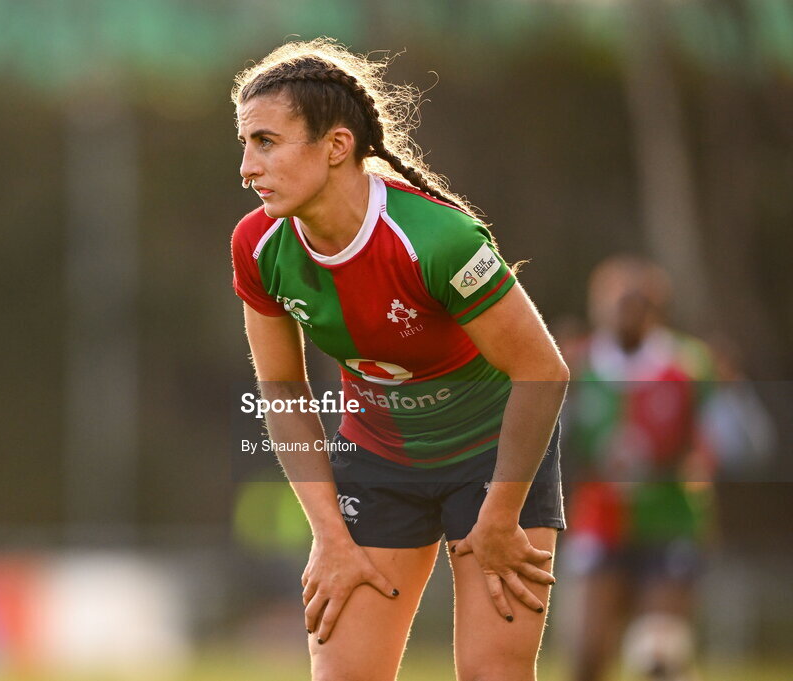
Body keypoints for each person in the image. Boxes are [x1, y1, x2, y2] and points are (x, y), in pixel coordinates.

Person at [229, 39, 569, 681]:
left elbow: (542, 371)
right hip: (379, 459)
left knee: (492, 673)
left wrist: (500, 515)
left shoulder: (438, 240)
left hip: (494, 465)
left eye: (266, 142)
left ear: (335, 146)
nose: (247, 167)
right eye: (245, 144)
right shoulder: (258, 245)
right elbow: (281, 388)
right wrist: (329, 535)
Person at [560, 255, 718, 681]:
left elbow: (734, 441)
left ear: (655, 307)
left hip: (668, 520)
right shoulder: (576, 364)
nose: (625, 310)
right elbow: (552, 444)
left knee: (658, 655)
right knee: (588, 652)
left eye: (636, 300)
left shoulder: (690, 365)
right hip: (600, 520)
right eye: (616, 300)